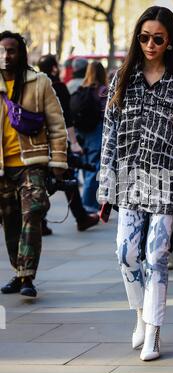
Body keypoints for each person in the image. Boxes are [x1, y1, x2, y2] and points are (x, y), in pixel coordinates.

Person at [98, 6, 173, 361]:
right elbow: (109, 133)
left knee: (157, 255)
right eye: (143, 37)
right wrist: (105, 185)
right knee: (125, 253)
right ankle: (142, 316)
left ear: (170, 41)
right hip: (129, 178)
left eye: (157, 38)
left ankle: (154, 334)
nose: (149, 44)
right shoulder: (122, 77)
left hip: (169, 179)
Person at [0, 31, 68, 297]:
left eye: (11, 50)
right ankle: (19, 273)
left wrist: (59, 160)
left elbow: (56, 124)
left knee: (33, 213)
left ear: (21, 53)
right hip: (3, 169)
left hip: (32, 163)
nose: (6, 56)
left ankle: (27, 276)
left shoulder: (39, 83)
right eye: (2, 50)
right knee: (10, 221)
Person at [37, 54, 99, 232]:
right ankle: (81, 217)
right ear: (55, 68)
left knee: (41, 181)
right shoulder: (57, 86)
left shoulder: (33, 85)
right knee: (67, 177)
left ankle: (41, 222)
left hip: (37, 142)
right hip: (56, 141)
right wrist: (73, 142)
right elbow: (65, 117)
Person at [73, 61, 108, 213]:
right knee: (94, 167)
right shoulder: (103, 90)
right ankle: (88, 205)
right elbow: (106, 113)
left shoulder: (81, 89)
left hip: (80, 131)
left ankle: (86, 203)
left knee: (86, 166)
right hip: (96, 131)